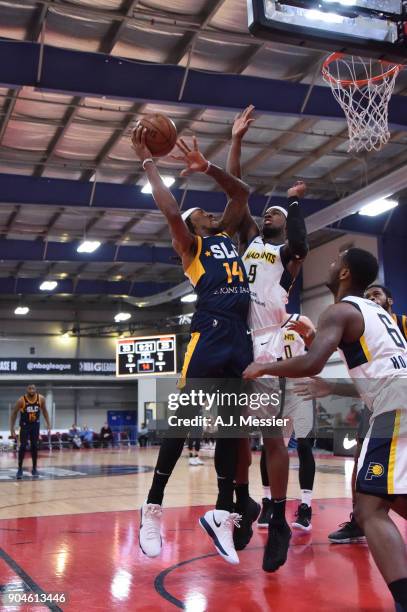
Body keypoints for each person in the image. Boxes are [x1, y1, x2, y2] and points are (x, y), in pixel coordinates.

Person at [243, 247, 407, 612]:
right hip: (396, 401)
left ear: (345, 272)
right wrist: (328, 378)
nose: (330, 265)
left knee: (369, 509)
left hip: (395, 408)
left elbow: (314, 361)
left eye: (336, 261)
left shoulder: (341, 309)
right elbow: (372, 366)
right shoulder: (377, 313)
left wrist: (263, 368)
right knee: (392, 498)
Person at [132, 124, 253, 564]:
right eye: (200, 210)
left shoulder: (228, 236)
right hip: (211, 333)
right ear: (191, 225)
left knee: (231, 426)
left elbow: (240, 194)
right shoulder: (192, 246)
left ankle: (222, 511)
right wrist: (149, 163)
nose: (208, 212)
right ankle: (153, 504)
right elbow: (169, 212)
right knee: (183, 421)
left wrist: (209, 167)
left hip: (240, 337)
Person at [227, 106, 308, 571]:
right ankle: (245, 503)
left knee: (273, 437)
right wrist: (236, 140)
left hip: (270, 346)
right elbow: (237, 191)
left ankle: (278, 517)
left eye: (275, 212)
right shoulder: (253, 239)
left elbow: (301, 243)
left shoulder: (287, 254)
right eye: (268, 210)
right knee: (235, 434)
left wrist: (294, 203)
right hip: (239, 341)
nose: (267, 213)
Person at [258, 313, 316, 533]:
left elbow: (317, 348)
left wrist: (310, 335)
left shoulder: (301, 319)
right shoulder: (260, 323)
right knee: (271, 447)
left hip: (300, 389)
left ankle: (305, 507)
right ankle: (268, 502)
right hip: (274, 390)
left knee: (304, 444)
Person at [10, 384, 51, 479]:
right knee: (23, 446)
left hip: (35, 425)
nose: (32, 390)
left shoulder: (41, 399)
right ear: (26, 390)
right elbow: (13, 414)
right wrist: (11, 428)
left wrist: (48, 423)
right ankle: (20, 469)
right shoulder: (21, 400)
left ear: (36, 389)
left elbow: (45, 411)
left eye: (33, 388)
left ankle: (34, 468)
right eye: (30, 388)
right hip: (24, 425)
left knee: (34, 446)